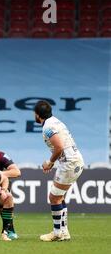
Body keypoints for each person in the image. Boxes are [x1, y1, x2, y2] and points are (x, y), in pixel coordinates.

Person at [34, 100, 84, 242]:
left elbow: (59, 147)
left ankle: (57, 233)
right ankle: (64, 232)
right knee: (58, 196)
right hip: (75, 160)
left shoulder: (48, 127)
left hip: (69, 163)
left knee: (54, 197)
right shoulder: (55, 121)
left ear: (37, 115)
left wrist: (50, 162)